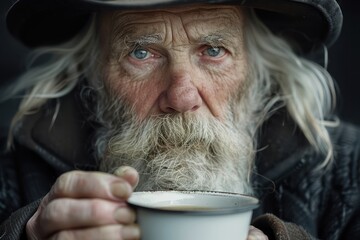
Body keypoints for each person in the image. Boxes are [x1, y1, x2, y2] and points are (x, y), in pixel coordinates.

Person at [0, 0, 359, 239]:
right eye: (141, 53)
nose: (182, 97)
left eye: (214, 51)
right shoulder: (9, 168)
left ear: (258, 68)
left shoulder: (350, 169)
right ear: (92, 73)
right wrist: (26, 233)